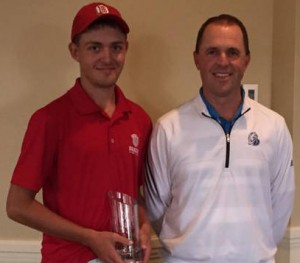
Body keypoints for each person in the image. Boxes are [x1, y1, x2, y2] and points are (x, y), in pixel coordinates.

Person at [6, 2, 152, 263]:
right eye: (95, 47)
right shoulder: (49, 119)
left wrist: (143, 226)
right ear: (75, 51)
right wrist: (90, 237)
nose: (107, 58)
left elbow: (135, 194)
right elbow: (17, 206)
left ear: (126, 50)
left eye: (116, 47)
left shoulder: (139, 120)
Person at [144, 14, 294, 263]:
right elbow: (156, 209)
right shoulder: (168, 129)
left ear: (246, 60)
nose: (223, 62)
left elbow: (280, 207)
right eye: (212, 52)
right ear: (197, 59)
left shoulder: (274, 127)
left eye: (232, 52)